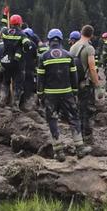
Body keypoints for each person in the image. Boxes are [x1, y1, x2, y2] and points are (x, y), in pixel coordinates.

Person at [36, 28, 90, 160]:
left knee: (53, 120)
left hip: (50, 95)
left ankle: (58, 152)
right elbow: (74, 76)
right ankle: (80, 148)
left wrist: (40, 94)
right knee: (74, 118)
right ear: (60, 40)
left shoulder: (44, 57)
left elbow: (40, 78)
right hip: (67, 93)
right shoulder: (68, 55)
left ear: (49, 40)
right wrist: (75, 91)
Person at [71, 25, 99, 145]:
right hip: (86, 85)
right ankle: (88, 138)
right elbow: (92, 68)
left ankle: (78, 136)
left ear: (81, 33)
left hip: (75, 83)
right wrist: (97, 85)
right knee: (88, 111)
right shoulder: (89, 48)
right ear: (91, 35)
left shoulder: (73, 47)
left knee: (78, 110)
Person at [0, 14, 28, 110]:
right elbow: (27, 44)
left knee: (5, 81)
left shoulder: (5, 31)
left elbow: (2, 27)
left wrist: (4, 15)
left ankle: (2, 100)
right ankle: (15, 105)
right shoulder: (22, 34)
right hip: (17, 62)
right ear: (20, 23)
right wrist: (23, 50)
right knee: (17, 84)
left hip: (5, 61)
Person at [20, 27, 40, 110]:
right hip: (30, 70)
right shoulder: (33, 45)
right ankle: (26, 104)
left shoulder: (19, 42)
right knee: (28, 88)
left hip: (21, 69)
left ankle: (17, 103)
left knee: (19, 87)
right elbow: (36, 58)